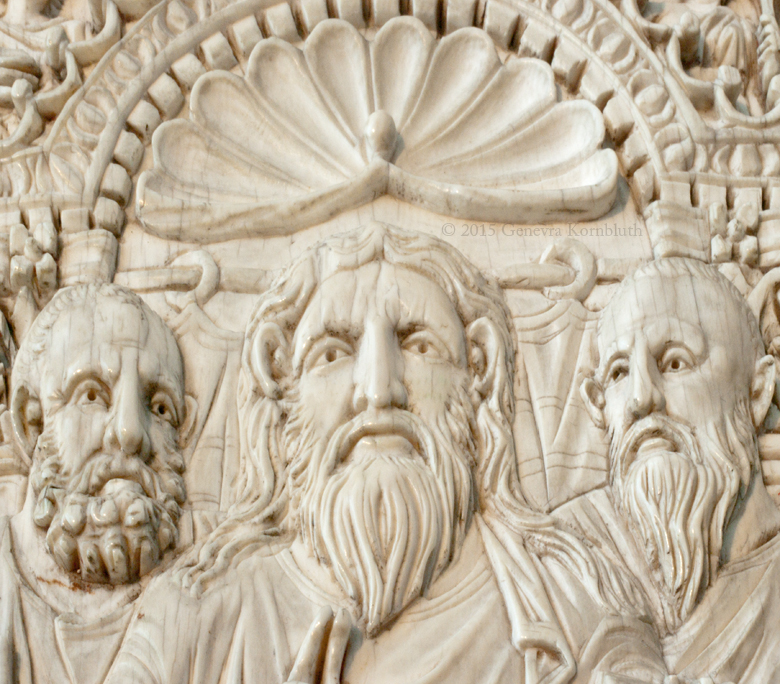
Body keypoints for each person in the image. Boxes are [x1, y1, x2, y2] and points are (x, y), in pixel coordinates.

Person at [107, 223, 669, 684]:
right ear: (281, 383)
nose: (379, 390)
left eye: (420, 345)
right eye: (332, 354)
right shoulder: (191, 620)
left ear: (476, 373)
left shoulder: (581, 610)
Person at [578, 258, 780, 683]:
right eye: (619, 372)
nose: (641, 398)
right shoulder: (578, 585)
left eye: (675, 362)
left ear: (758, 391)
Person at [0, 283, 192, 684]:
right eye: (91, 395)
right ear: (32, 421)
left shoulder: (213, 601)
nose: (129, 433)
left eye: (160, 408)